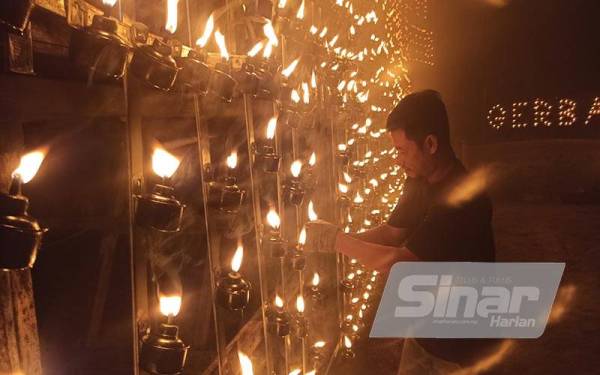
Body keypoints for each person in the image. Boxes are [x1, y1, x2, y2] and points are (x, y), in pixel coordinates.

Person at [305, 90, 499, 374]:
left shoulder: (463, 199)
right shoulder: (419, 181)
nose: (397, 160)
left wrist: (336, 240)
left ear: (430, 144)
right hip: (424, 334)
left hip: (461, 348)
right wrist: (331, 240)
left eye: (401, 150)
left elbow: (400, 263)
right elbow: (390, 233)